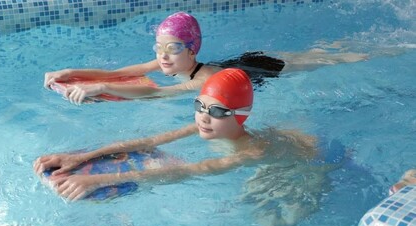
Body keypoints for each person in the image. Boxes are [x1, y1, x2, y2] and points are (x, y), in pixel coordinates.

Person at [35, 68, 343, 226]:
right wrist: (82, 158)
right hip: (291, 145)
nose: (204, 119)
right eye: (200, 106)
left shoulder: (252, 152)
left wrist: (100, 179)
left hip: (305, 165)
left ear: (240, 116)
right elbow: (148, 142)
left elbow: (192, 170)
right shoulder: (206, 124)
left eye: (218, 112)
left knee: (268, 223)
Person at [44, 12, 369, 105]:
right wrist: (72, 72)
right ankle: (338, 44)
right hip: (240, 61)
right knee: (325, 51)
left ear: (192, 50)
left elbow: (157, 93)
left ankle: (383, 47)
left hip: (261, 70)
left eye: (171, 48)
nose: (162, 56)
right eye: (158, 48)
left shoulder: (200, 79)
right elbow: (122, 72)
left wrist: (98, 86)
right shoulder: (171, 62)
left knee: (332, 59)